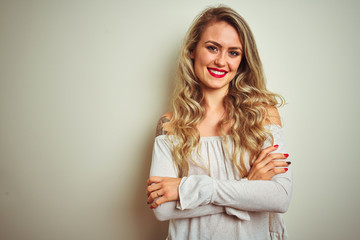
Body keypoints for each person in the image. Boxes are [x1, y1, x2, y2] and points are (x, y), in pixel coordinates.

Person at [146, 5, 292, 240]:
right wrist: (248, 186)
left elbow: (279, 196)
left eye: (233, 52)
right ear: (193, 50)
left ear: (243, 59)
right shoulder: (169, 124)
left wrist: (190, 190)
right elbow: (162, 209)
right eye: (213, 48)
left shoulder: (263, 115)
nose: (221, 61)